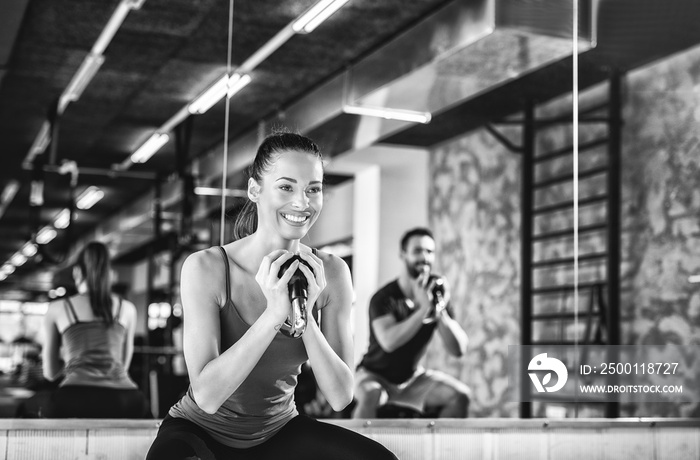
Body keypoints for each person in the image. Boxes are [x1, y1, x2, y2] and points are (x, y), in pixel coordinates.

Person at [146, 132, 397, 460]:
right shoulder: (207, 268)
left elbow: (340, 396)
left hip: (279, 431)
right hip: (201, 432)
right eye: (286, 186)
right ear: (254, 190)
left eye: (313, 189)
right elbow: (207, 396)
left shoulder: (332, 272)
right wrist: (273, 316)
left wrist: (303, 312)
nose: (302, 202)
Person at [353, 227, 471, 419]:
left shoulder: (436, 296)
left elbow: (459, 350)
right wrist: (423, 310)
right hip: (373, 375)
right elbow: (388, 342)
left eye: (429, 252)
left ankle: (439, 449)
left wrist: (438, 309)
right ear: (403, 254)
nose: (424, 257)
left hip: (412, 379)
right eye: (417, 251)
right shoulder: (384, 297)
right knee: (371, 395)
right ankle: (354, 449)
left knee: (460, 396)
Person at [42, 241, 147, 418]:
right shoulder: (127, 308)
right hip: (126, 399)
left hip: (73, 398)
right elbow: (123, 365)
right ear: (110, 274)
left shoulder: (58, 308)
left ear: (77, 272)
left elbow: (50, 373)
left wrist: (73, 360)